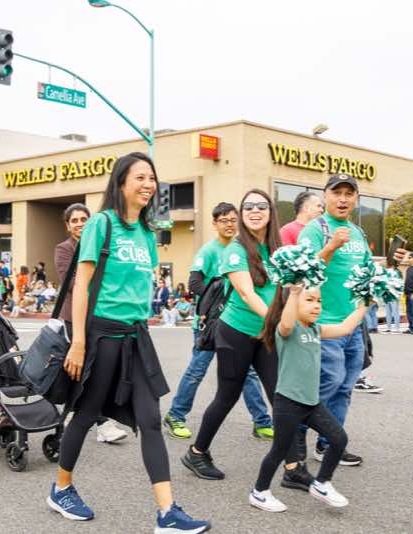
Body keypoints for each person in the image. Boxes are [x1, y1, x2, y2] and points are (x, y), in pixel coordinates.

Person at [48, 152, 209, 533]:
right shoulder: (101, 224)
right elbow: (82, 285)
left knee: (150, 420)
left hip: (136, 336)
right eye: (140, 177)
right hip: (101, 335)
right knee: (86, 414)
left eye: (152, 178)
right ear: (121, 183)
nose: (148, 184)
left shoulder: (147, 234)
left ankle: (167, 513)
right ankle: (61, 488)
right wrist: (79, 342)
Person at [294, 173, 406, 468]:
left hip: (354, 324)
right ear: (326, 196)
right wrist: (331, 247)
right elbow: (303, 273)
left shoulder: (357, 232)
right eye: (337, 193)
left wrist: (392, 264)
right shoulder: (314, 230)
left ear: (356, 198)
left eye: (349, 194)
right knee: (326, 383)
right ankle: (295, 434)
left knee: (344, 388)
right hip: (324, 323)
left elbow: (367, 271)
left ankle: (329, 443)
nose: (343, 199)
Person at [182, 189, 286, 483]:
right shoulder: (235, 249)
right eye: (248, 206)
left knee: (279, 395)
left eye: (261, 206)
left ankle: (293, 466)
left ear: (271, 212)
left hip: (265, 334)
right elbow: (246, 292)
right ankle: (197, 452)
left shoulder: (277, 250)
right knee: (226, 396)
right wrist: (276, 322)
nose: (255, 211)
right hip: (236, 332)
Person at [249, 284, 367, 512]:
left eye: (319, 301)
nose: (316, 306)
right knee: (279, 451)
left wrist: (366, 303)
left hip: (311, 404)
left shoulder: (316, 330)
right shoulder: (287, 329)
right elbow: (285, 323)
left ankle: (322, 483)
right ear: (292, 304)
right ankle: (259, 492)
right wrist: (294, 292)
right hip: (288, 403)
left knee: (339, 439)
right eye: (310, 300)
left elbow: (345, 328)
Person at [163, 202, 274, 443]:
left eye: (233, 220)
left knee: (248, 374)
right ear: (214, 224)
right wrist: (220, 298)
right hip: (210, 324)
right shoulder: (209, 251)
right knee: (197, 371)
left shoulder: (245, 248)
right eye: (223, 221)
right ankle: (175, 416)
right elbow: (194, 284)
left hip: (235, 324)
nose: (229, 225)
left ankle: (262, 422)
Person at [53, 203, 128, 445]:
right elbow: (73, 283)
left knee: (97, 370)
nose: (79, 224)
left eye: (83, 219)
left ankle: (77, 415)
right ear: (68, 226)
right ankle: (100, 422)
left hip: (100, 315)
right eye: (74, 220)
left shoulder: (101, 245)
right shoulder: (64, 249)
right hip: (74, 317)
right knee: (80, 369)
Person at [382, 265, 402, 334]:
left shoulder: (397, 273)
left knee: (395, 312)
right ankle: (388, 328)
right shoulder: (385, 273)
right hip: (387, 295)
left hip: (394, 295)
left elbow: (399, 284)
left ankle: (397, 328)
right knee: (388, 312)